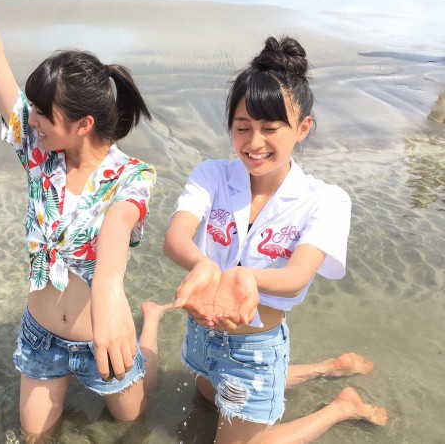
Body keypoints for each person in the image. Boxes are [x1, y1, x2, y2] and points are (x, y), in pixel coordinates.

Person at [0, 0, 171, 442]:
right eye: (33, 108)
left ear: (83, 124)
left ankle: (152, 324)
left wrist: (109, 291)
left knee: (134, 421)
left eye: (44, 113)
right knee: (33, 436)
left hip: (102, 334)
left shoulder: (132, 176)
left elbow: (118, 226)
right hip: (41, 338)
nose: (33, 119)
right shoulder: (37, 152)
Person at [163, 36, 387, 443]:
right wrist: (203, 265)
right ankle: (326, 368)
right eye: (242, 127)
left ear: (303, 128)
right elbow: (176, 235)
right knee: (208, 397)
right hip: (201, 334)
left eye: (270, 129)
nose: (253, 143)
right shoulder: (212, 175)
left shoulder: (326, 199)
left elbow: (297, 276)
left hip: (255, 348)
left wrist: (246, 277)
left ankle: (342, 407)